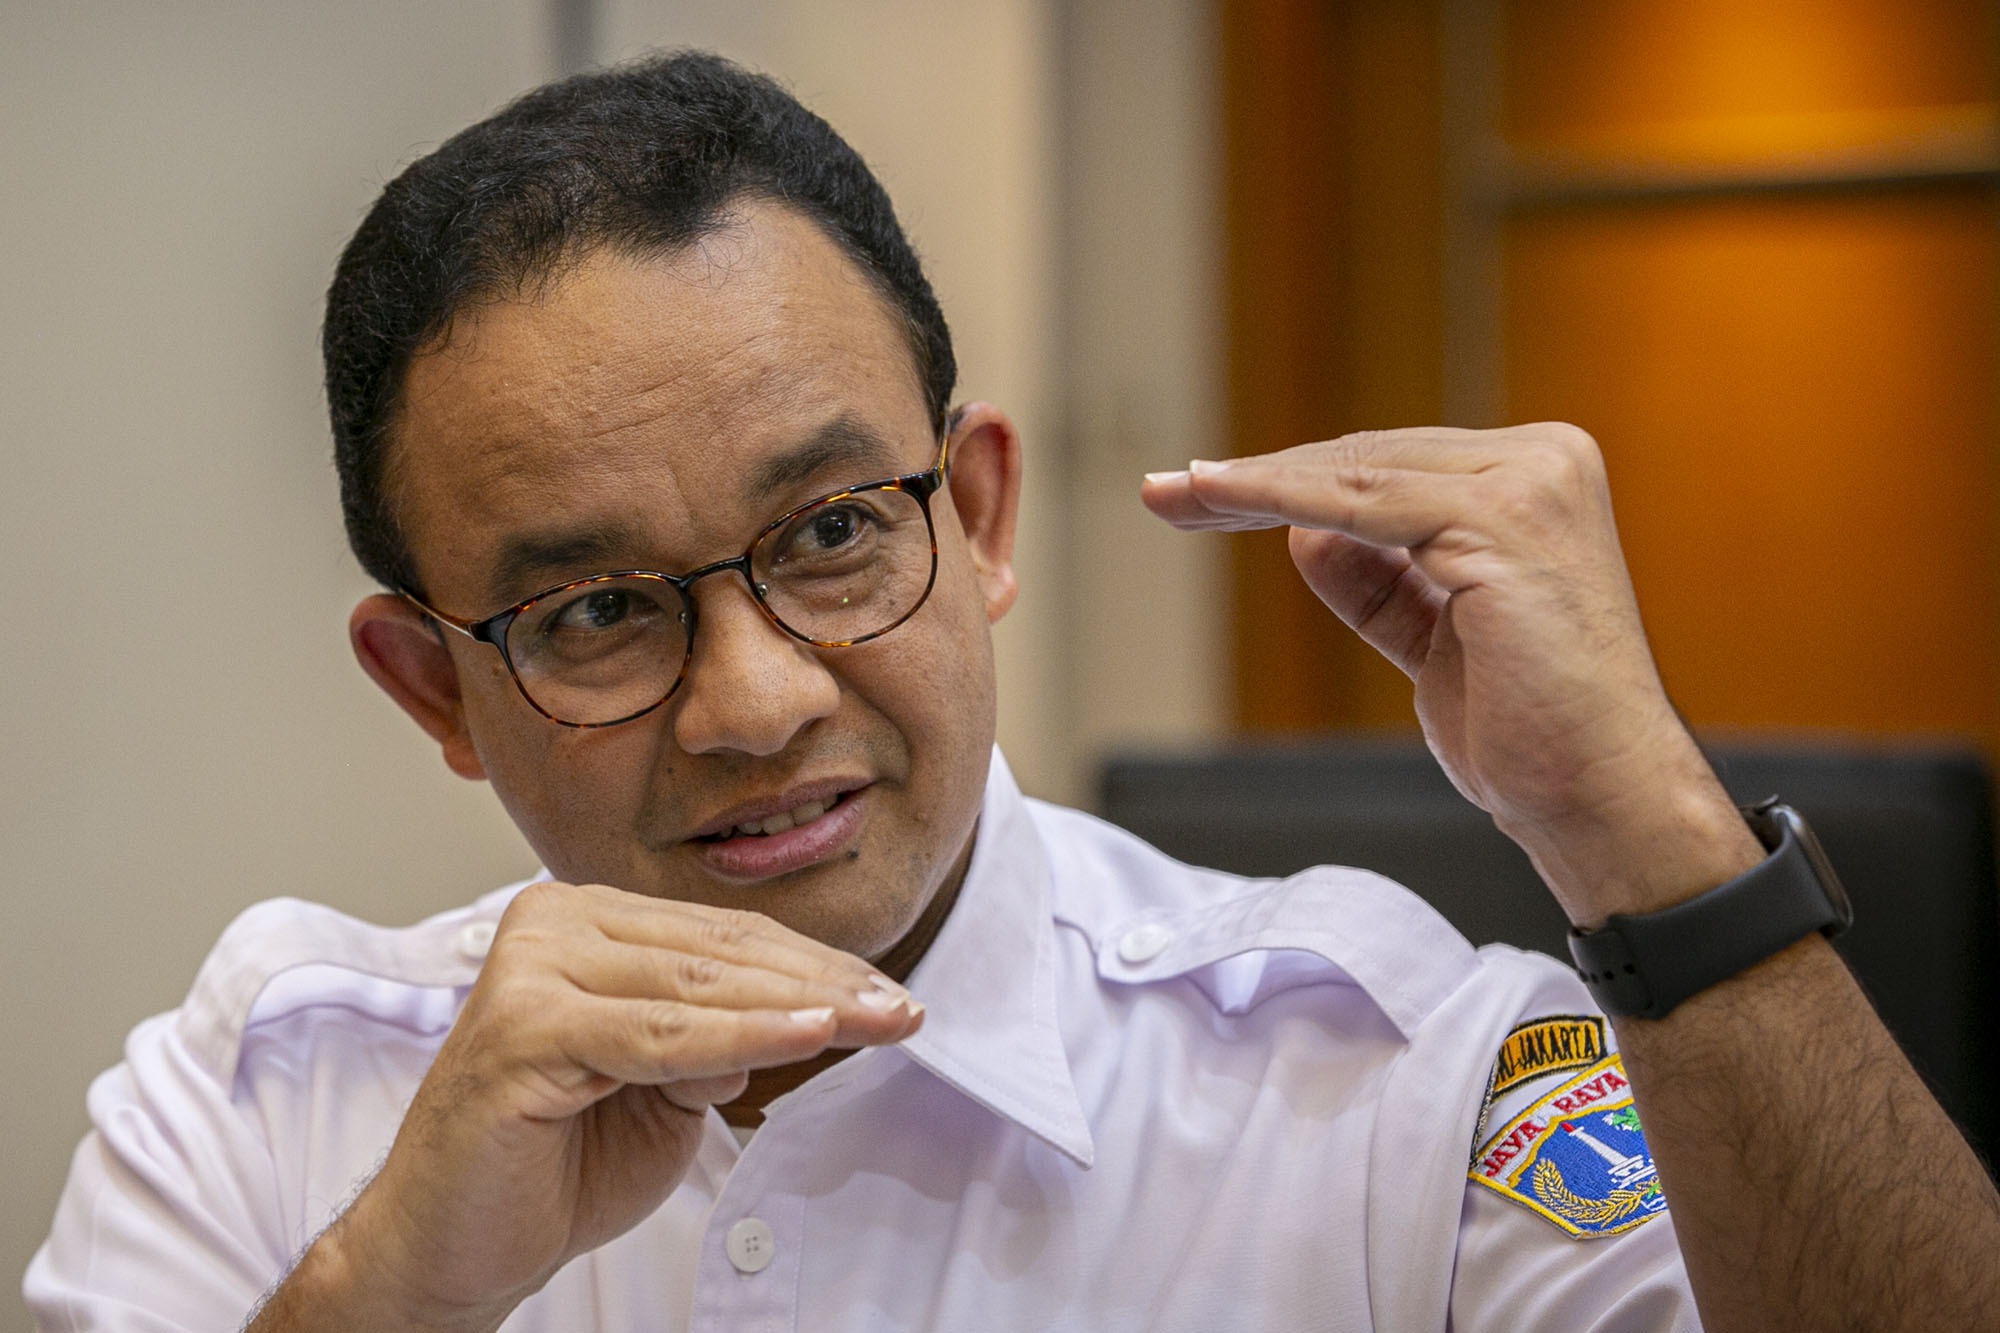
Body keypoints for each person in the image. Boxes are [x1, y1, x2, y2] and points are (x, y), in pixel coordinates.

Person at [26, 51, 1999, 1333]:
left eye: (829, 534)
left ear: (972, 516)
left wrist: (1647, 835)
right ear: (432, 688)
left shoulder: (1393, 1082)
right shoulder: (269, 1091)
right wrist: (390, 1290)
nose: (751, 703)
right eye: (600, 611)